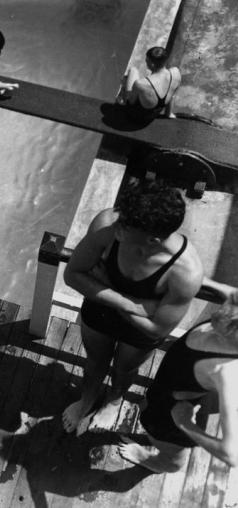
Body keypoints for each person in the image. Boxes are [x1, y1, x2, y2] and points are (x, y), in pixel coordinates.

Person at [62, 181, 203, 435]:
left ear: (153, 239)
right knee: (94, 361)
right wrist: (132, 304)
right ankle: (87, 399)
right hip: (102, 309)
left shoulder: (185, 273)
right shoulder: (109, 223)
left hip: (136, 330)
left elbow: (155, 330)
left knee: (124, 369)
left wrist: (104, 285)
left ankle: (114, 400)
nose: (116, 225)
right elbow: (72, 274)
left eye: (125, 226)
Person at [118, 294, 238, 472]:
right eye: (233, 301)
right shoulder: (225, 323)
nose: (223, 310)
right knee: (148, 410)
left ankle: (152, 462)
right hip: (165, 389)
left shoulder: (226, 371)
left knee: (173, 461)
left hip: (173, 414)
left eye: (232, 318)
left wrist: (184, 423)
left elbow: (231, 455)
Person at [116, 46, 181, 124]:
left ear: (152, 64)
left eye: (146, 60)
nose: (146, 62)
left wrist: (124, 87)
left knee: (133, 71)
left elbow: (130, 101)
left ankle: (121, 96)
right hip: (153, 115)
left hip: (136, 119)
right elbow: (172, 95)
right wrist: (169, 114)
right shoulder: (176, 73)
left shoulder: (140, 84)